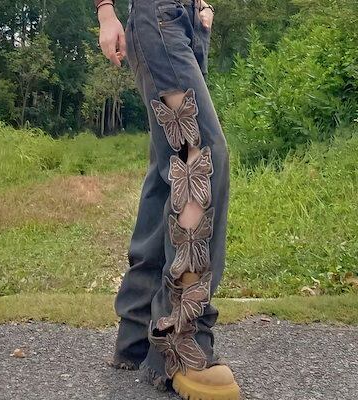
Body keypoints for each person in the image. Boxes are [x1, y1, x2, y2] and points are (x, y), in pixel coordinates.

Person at [94, 0, 241, 398]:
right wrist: (106, 12)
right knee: (200, 157)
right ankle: (180, 339)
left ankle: (138, 332)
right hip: (159, 18)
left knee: (171, 167)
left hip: (187, 21)